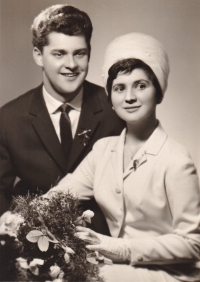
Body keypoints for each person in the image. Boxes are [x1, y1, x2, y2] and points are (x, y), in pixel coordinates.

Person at [45, 32, 200, 281]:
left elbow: (193, 243)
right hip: (118, 269)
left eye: (141, 85)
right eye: (119, 88)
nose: (129, 97)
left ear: (158, 93)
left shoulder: (176, 160)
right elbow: (59, 197)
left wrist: (121, 248)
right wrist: (17, 218)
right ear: (111, 99)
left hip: (169, 274)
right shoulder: (103, 150)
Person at [0, 4, 125, 235]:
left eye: (80, 53)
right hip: (33, 244)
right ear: (39, 56)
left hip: (103, 241)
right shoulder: (9, 118)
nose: (72, 65)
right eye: (59, 54)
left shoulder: (115, 109)